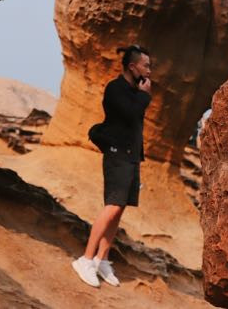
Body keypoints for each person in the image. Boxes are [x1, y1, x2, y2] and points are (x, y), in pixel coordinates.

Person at [71, 44, 152, 288]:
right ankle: (85, 259)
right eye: (146, 66)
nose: (150, 71)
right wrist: (145, 96)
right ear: (132, 66)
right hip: (117, 156)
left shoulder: (134, 90)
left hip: (131, 156)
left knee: (120, 209)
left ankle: (102, 259)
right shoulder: (116, 89)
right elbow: (129, 115)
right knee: (112, 206)